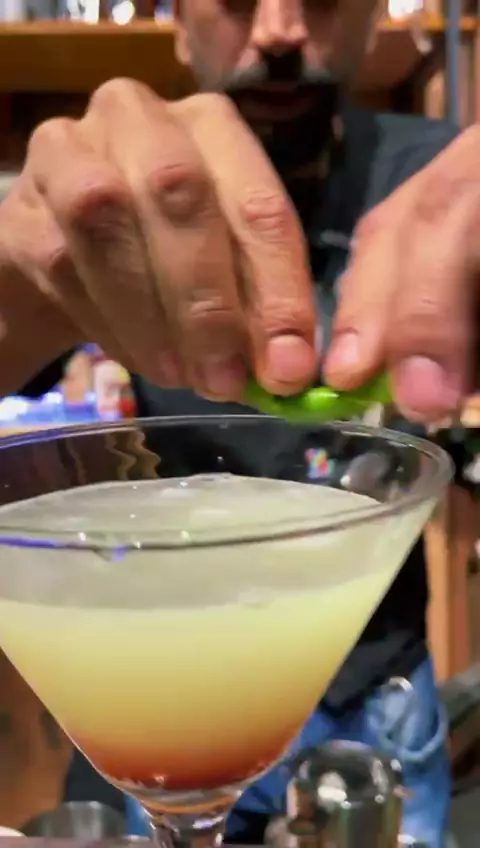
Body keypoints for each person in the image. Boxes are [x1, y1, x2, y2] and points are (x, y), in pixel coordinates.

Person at [1, 1, 480, 845]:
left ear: (373, 18)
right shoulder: (99, 194)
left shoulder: (440, 177)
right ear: (180, 22)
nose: (280, 30)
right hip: (156, 686)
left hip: (381, 695)